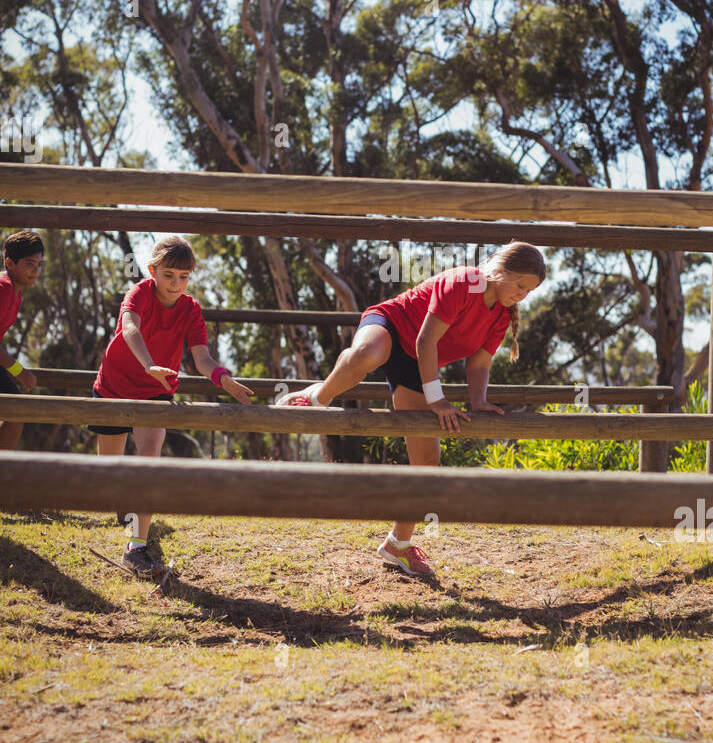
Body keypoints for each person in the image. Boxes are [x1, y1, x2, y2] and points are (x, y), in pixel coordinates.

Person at [276, 241, 546, 578]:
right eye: (520, 285)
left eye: (529, 291)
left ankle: (397, 545)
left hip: (416, 366)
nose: (523, 295)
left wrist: (478, 401)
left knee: (427, 462)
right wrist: (437, 399)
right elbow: (425, 340)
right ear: (499, 271)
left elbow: (479, 364)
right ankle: (320, 396)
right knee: (366, 356)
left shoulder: (499, 319)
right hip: (392, 326)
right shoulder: (464, 282)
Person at [88, 236, 252, 577]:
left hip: (155, 390)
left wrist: (224, 379)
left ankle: (136, 547)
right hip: (114, 386)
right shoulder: (138, 293)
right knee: (112, 477)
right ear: (152, 271)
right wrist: (148, 363)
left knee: (148, 461)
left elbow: (203, 358)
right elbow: (130, 327)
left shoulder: (191, 309)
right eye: (168, 275)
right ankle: (125, 505)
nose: (176, 284)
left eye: (183, 276)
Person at [0, 228, 44, 450]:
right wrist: (19, 371)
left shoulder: (16, 291)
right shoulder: (3, 289)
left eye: (39, 265)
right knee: (16, 413)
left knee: (16, 413)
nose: (36, 270)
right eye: (29, 264)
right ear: (9, 263)